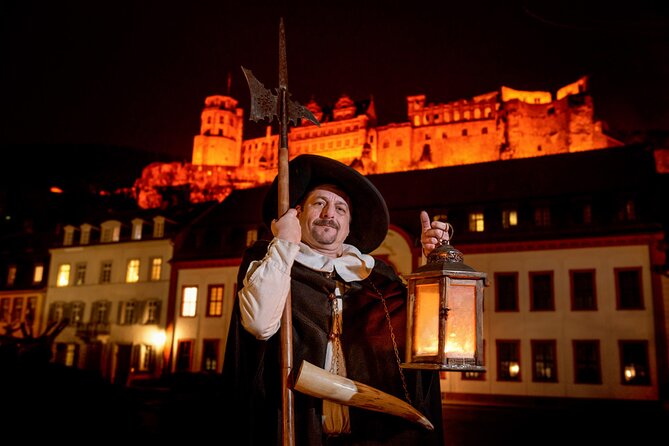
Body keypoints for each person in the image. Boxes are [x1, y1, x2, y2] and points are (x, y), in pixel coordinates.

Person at [223, 154, 448, 445]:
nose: (330, 213)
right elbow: (259, 325)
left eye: (341, 208)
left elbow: (426, 339)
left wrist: (435, 265)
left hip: (372, 436)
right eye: (319, 203)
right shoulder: (270, 262)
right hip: (299, 431)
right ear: (297, 213)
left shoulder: (379, 279)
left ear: (349, 224)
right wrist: (284, 244)